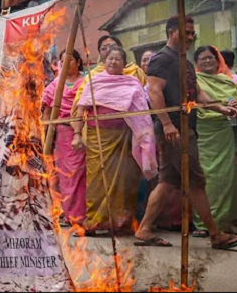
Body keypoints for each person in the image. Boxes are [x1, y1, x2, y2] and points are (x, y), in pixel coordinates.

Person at [134, 15, 237, 250]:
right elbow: (154, 93)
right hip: (176, 130)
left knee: (166, 181)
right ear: (171, 32)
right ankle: (215, 234)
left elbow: (194, 95)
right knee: (196, 181)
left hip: (185, 127)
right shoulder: (161, 60)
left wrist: (219, 107)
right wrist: (166, 124)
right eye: (186, 32)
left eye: (192, 33)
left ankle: (144, 229)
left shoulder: (184, 62)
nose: (191, 37)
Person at [71, 46, 157, 235]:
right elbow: (80, 110)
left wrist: (143, 136)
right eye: (110, 58)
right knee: (97, 179)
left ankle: (120, 222)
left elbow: (141, 113)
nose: (113, 62)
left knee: (122, 179)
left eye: (118, 59)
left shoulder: (132, 83)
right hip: (97, 138)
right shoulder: (94, 82)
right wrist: (77, 134)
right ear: (104, 61)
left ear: (124, 64)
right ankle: (94, 221)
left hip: (123, 138)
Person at [191, 46, 237, 236]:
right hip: (203, 134)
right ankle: (202, 224)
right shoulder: (194, 82)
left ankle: (221, 222)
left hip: (224, 133)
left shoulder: (227, 82)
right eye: (203, 59)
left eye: (211, 58)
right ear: (196, 63)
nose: (207, 62)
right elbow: (193, 104)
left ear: (218, 60)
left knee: (225, 178)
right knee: (205, 177)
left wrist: (235, 107)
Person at [42, 49, 86, 226]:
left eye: (71, 60)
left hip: (84, 132)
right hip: (62, 134)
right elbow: (46, 112)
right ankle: (70, 214)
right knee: (66, 175)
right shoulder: (55, 85)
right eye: (63, 61)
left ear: (78, 61)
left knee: (82, 174)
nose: (67, 64)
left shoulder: (87, 82)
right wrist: (45, 136)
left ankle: (82, 214)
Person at [72, 36, 146, 115]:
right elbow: (81, 105)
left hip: (131, 123)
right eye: (103, 48)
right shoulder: (92, 76)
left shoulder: (135, 71)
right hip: (99, 124)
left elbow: (145, 98)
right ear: (100, 53)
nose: (108, 50)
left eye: (112, 46)